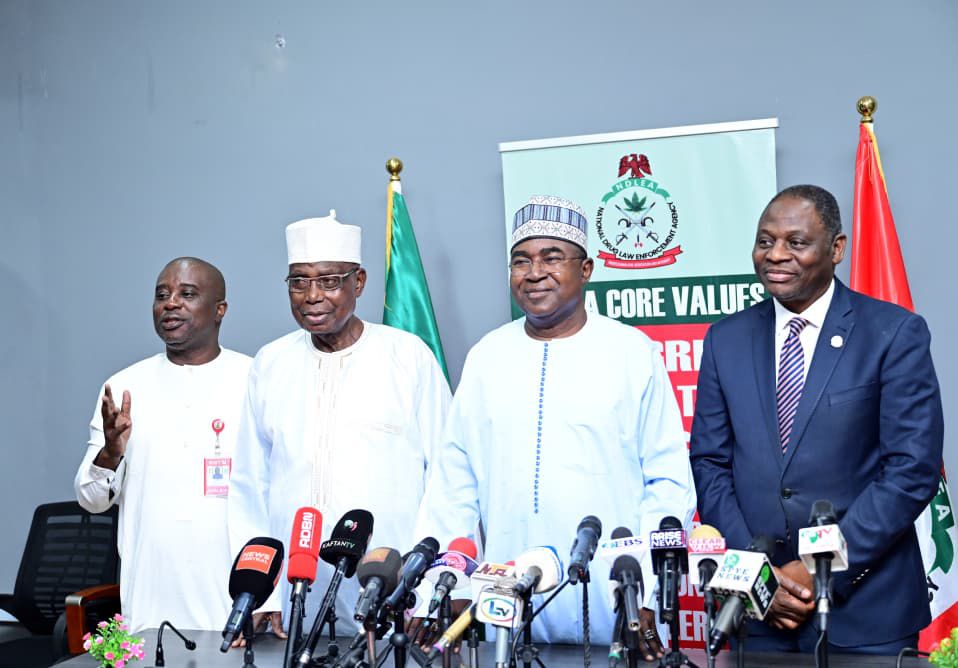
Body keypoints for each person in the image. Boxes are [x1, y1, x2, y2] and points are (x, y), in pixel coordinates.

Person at [415, 195, 696, 653]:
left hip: (615, 598)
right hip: (506, 600)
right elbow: (453, 484)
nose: (534, 273)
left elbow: (668, 482)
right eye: (521, 261)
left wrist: (644, 592)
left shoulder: (631, 352)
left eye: (551, 258)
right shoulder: (487, 356)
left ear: (585, 270)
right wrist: (446, 587)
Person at [690, 185, 944, 654]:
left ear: (836, 249)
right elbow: (710, 463)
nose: (775, 255)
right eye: (765, 241)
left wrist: (818, 567)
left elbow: (912, 470)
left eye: (796, 242)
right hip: (759, 614)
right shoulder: (725, 339)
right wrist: (760, 577)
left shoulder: (893, 333)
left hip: (867, 613)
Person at [228, 210, 451, 638]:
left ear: (358, 282)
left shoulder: (408, 357)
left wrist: (428, 594)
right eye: (299, 282)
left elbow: (447, 478)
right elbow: (249, 486)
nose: (312, 296)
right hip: (294, 593)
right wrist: (264, 595)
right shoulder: (271, 363)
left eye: (329, 281)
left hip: (393, 588)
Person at [75, 257, 252, 632]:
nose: (170, 303)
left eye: (187, 294)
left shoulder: (255, 380)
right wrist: (111, 452)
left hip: (236, 596)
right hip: (150, 599)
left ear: (220, 309)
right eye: (161, 295)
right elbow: (91, 500)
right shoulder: (124, 386)